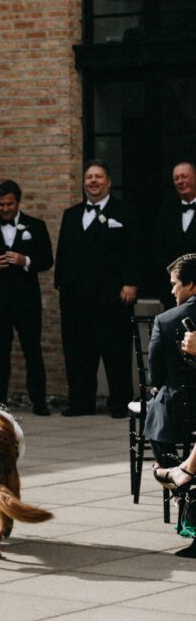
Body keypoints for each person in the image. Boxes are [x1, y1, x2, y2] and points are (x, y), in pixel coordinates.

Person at [54, 159, 140, 418]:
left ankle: (119, 403)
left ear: (109, 182)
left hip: (112, 297)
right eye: (89, 177)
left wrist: (131, 281)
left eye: (98, 177)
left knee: (115, 352)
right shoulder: (71, 215)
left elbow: (134, 250)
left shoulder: (124, 212)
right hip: (76, 298)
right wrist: (62, 285)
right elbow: (64, 252)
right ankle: (81, 402)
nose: (93, 181)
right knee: (78, 353)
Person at [0, 180, 53, 415]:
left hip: (27, 300)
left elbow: (47, 259)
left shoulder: (35, 226)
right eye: (0, 205)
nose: (5, 209)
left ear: (18, 202)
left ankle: (39, 401)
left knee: (32, 350)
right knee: (0, 351)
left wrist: (24, 261)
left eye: (9, 204)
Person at [148, 257, 196, 558]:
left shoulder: (166, 320)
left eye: (175, 285)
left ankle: (180, 486)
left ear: (190, 284)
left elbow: (156, 375)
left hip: (179, 406)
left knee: (157, 416)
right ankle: (183, 477)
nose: (172, 292)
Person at [153, 162, 196, 308]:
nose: (180, 181)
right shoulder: (166, 211)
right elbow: (158, 249)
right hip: (172, 291)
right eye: (176, 178)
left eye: (184, 176)